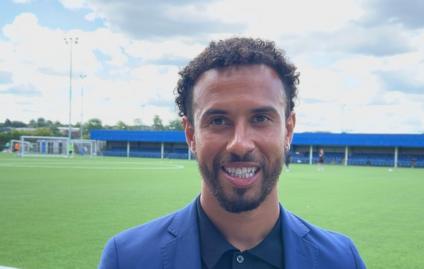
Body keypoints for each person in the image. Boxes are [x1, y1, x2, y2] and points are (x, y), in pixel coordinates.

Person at [98, 37, 366, 269]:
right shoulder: (128, 258)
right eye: (218, 121)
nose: (240, 144)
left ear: (288, 130)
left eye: (260, 118)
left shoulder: (342, 260)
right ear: (191, 135)